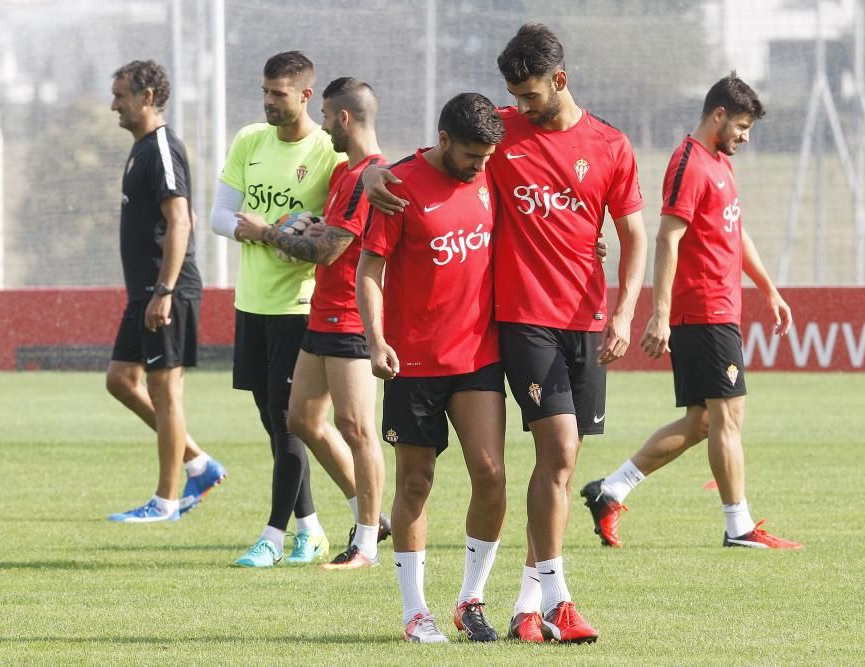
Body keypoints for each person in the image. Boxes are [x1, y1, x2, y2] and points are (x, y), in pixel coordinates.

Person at [364, 24, 646, 643]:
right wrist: (367, 175)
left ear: (560, 81)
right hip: (519, 323)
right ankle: (553, 600)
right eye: (512, 96)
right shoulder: (494, 131)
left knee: (551, 469)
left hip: (585, 319)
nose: (518, 107)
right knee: (556, 455)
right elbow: (432, 155)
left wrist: (625, 313)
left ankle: (521, 605)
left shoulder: (609, 144)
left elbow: (633, 234)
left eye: (529, 95)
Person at [580, 72, 802, 551]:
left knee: (704, 421)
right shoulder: (689, 162)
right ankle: (738, 526)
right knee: (729, 414)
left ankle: (611, 489)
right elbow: (667, 238)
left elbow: (734, 231)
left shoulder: (720, 163)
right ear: (718, 115)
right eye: (742, 126)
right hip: (702, 311)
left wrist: (769, 289)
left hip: (721, 309)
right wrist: (658, 315)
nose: (745, 137)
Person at [357, 93, 507, 644]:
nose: (480, 166)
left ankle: (471, 599)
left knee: (491, 473)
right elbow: (370, 267)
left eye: (487, 156)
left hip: (478, 356)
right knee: (416, 482)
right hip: (413, 361)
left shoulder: (493, 173)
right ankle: (415, 611)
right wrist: (375, 340)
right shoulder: (398, 186)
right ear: (443, 140)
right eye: (471, 155)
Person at [234, 77, 390, 570]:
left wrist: (269, 232)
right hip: (321, 314)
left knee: (357, 428)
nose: (323, 125)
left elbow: (328, 252)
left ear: (344, 118)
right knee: (299, 419)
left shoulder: (374, 174)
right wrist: (309, 225)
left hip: (350, 318)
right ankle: (371, 517)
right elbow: (332, 236)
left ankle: (364, 543)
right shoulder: (346, 173)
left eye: (326, 116)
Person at [210, 51, 345, 567]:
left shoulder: (328, 153)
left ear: (306, 95)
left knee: (291, 422)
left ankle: (272, 536)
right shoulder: (249, 140)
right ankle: (309, 529)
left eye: (279, 94)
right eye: (265, 92)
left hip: (300, 306)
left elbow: (328, 235)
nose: (268, 102)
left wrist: (271, 231)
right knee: (273, 422)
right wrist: (261, 232)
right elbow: (221, 216)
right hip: (252, 302)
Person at [105, 60, 226, 523]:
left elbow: (181, 220)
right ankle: (199, 462)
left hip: (165, 291)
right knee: (120, 380)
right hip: (146, 292)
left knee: (165, 392)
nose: (113, 103)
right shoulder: (139, 147)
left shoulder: (159, 148)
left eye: (120, 95)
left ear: (147, 97)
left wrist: (164, 290)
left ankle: (166, 502)